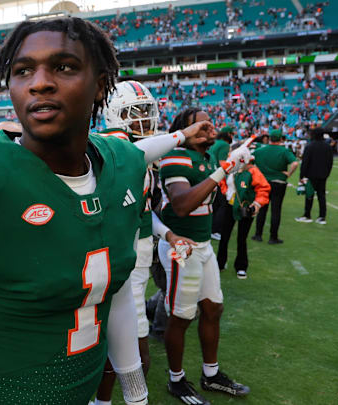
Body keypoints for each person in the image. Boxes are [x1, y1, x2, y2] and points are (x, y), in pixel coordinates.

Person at [0, 17, 212, 405]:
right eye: (23, 70)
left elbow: (113, 292)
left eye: (64, 67)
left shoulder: (122, 169)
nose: (39, 82)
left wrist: (135, 390)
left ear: (100, 86)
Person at [93, 80, 200, 405]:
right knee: (131, 353)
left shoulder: (141, 156)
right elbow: (134, 154)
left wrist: (167, 234)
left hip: (132, 263)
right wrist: (182, 134)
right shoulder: (113, 147)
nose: (142, 119)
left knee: (121, 351)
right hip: (114, 264)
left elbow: (139, 212)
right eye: (133, 112)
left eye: (146, 111)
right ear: (114, 115)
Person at [158, 107, 251, 405]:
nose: (211, 126)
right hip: (180, 248)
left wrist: (232, 169)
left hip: (202, 246)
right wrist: (224, 170)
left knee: (213, 308)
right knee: (182, 315)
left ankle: (210, 375)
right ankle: (176, 380)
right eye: (203, 122)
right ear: (187, 130)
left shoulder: (206, 157)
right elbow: (183, 204)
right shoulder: (176, 158)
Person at [216, 145, 270, 279]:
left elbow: (263, 188)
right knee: (224, 236)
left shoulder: (252, 171)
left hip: (245, 207)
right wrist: (225, 193)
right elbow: (222, 182)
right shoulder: (229, 168)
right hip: (229, 206)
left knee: (242, 238)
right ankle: (220, 263)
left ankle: (241, 266)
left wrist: (257, 204)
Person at [252, 129, 298, 244]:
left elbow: (249, 160)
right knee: (276, 210)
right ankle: (273, 237)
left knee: (262, 209)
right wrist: (289, 174)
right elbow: (295, 163)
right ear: (281, 139)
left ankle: (258, 234)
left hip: (263, 183)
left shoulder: (260, 150)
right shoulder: (284, 151)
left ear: (269, 139)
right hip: (279, 182)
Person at [295, 130, 333, 225]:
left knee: (309, 195)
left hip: (311, 175)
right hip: (323, 175)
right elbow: (330, 162)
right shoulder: (327, 147)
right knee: (321, 196)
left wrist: (301, 175)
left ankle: (307, 215)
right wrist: (327, 173)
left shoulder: (310, 146)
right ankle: (322, 216)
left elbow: (305, 162)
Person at [208, 126, 233, 240]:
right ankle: (215, 230)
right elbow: (223, 163)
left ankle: (211, 228)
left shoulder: (214, 143)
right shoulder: (224, 145)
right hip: (219, 178)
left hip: (210, 175)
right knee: (222, 205)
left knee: (214, 205)